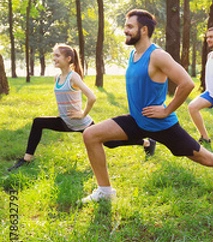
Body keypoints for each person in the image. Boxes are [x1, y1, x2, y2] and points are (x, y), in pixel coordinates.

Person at [80, 9, 213, 203]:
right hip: (137, 120)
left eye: (129, 26)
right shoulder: (134, 54)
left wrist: (167, 110)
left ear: (143, 30)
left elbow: (187, 83)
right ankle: (105, 191)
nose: (125, 30)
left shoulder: (157, 56)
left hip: (161, 126)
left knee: (206, 158)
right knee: (91, 134)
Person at [6, 43, 155, 173]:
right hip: (65, 121)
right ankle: (26, 159)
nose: (54, 58)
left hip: (81, 123)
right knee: (38, 122)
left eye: (57, 55)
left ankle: (146, 142)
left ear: (68, 59)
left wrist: (83, 114)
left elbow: (92, 97)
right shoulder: (57, 77)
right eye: (54, 56)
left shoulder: (73, 77)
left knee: (110, 143)